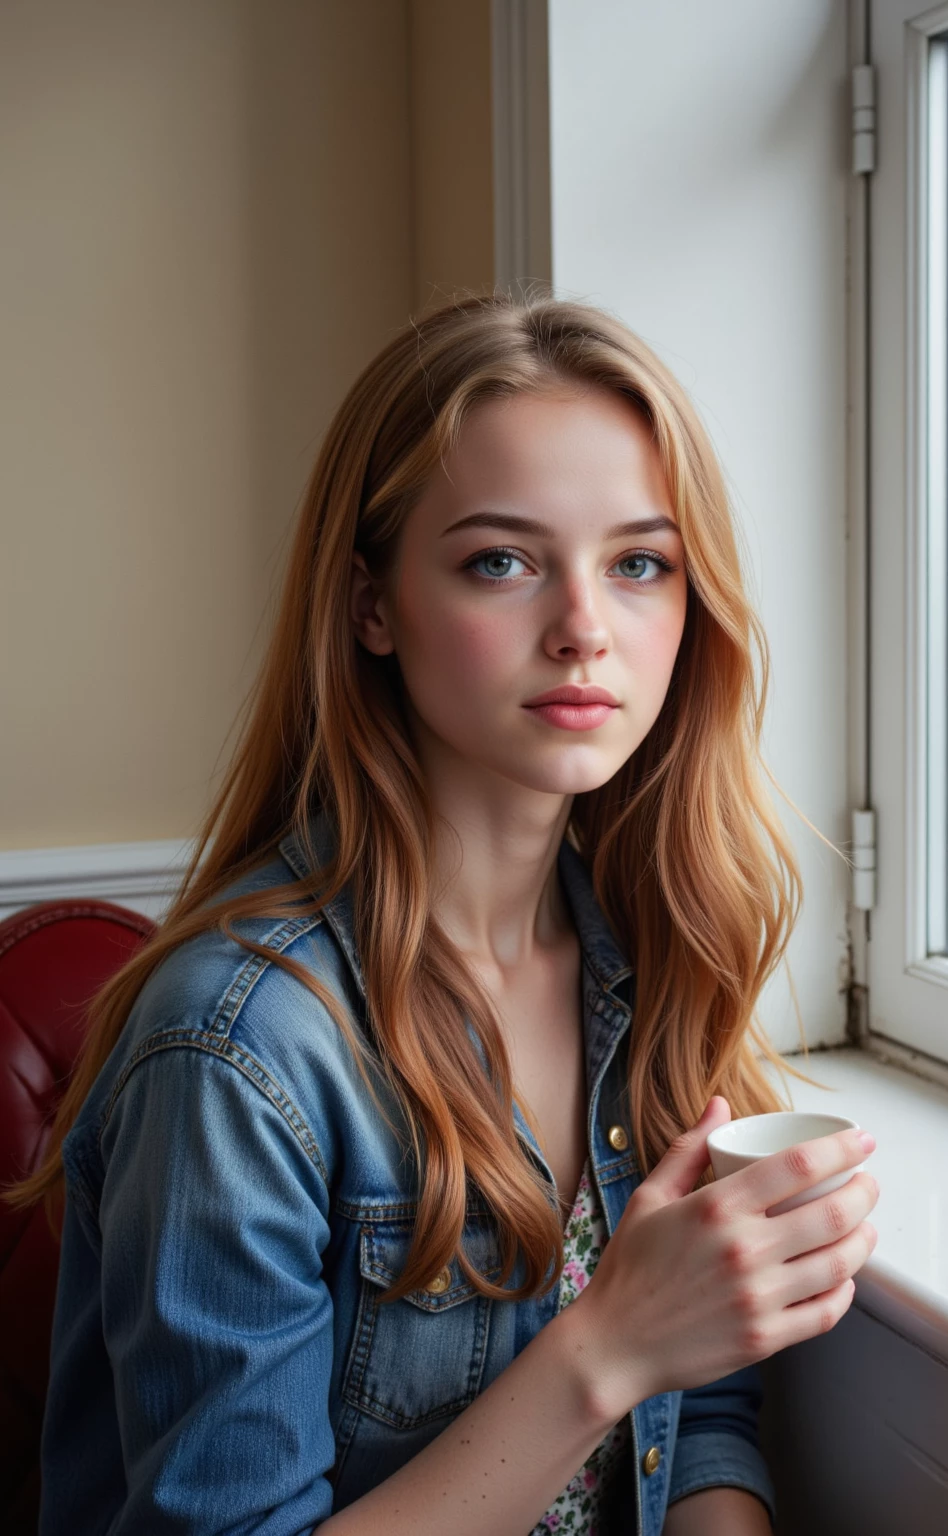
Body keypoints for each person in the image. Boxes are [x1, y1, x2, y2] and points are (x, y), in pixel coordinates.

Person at [12, 292, 879, 1536]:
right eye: (501, 562)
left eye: (639, 563)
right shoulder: (233, 1054)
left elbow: (702, 1428)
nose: (585, 629)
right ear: (371, 606)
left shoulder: (650, 960)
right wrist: (606, 1351)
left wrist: (661, 1360)